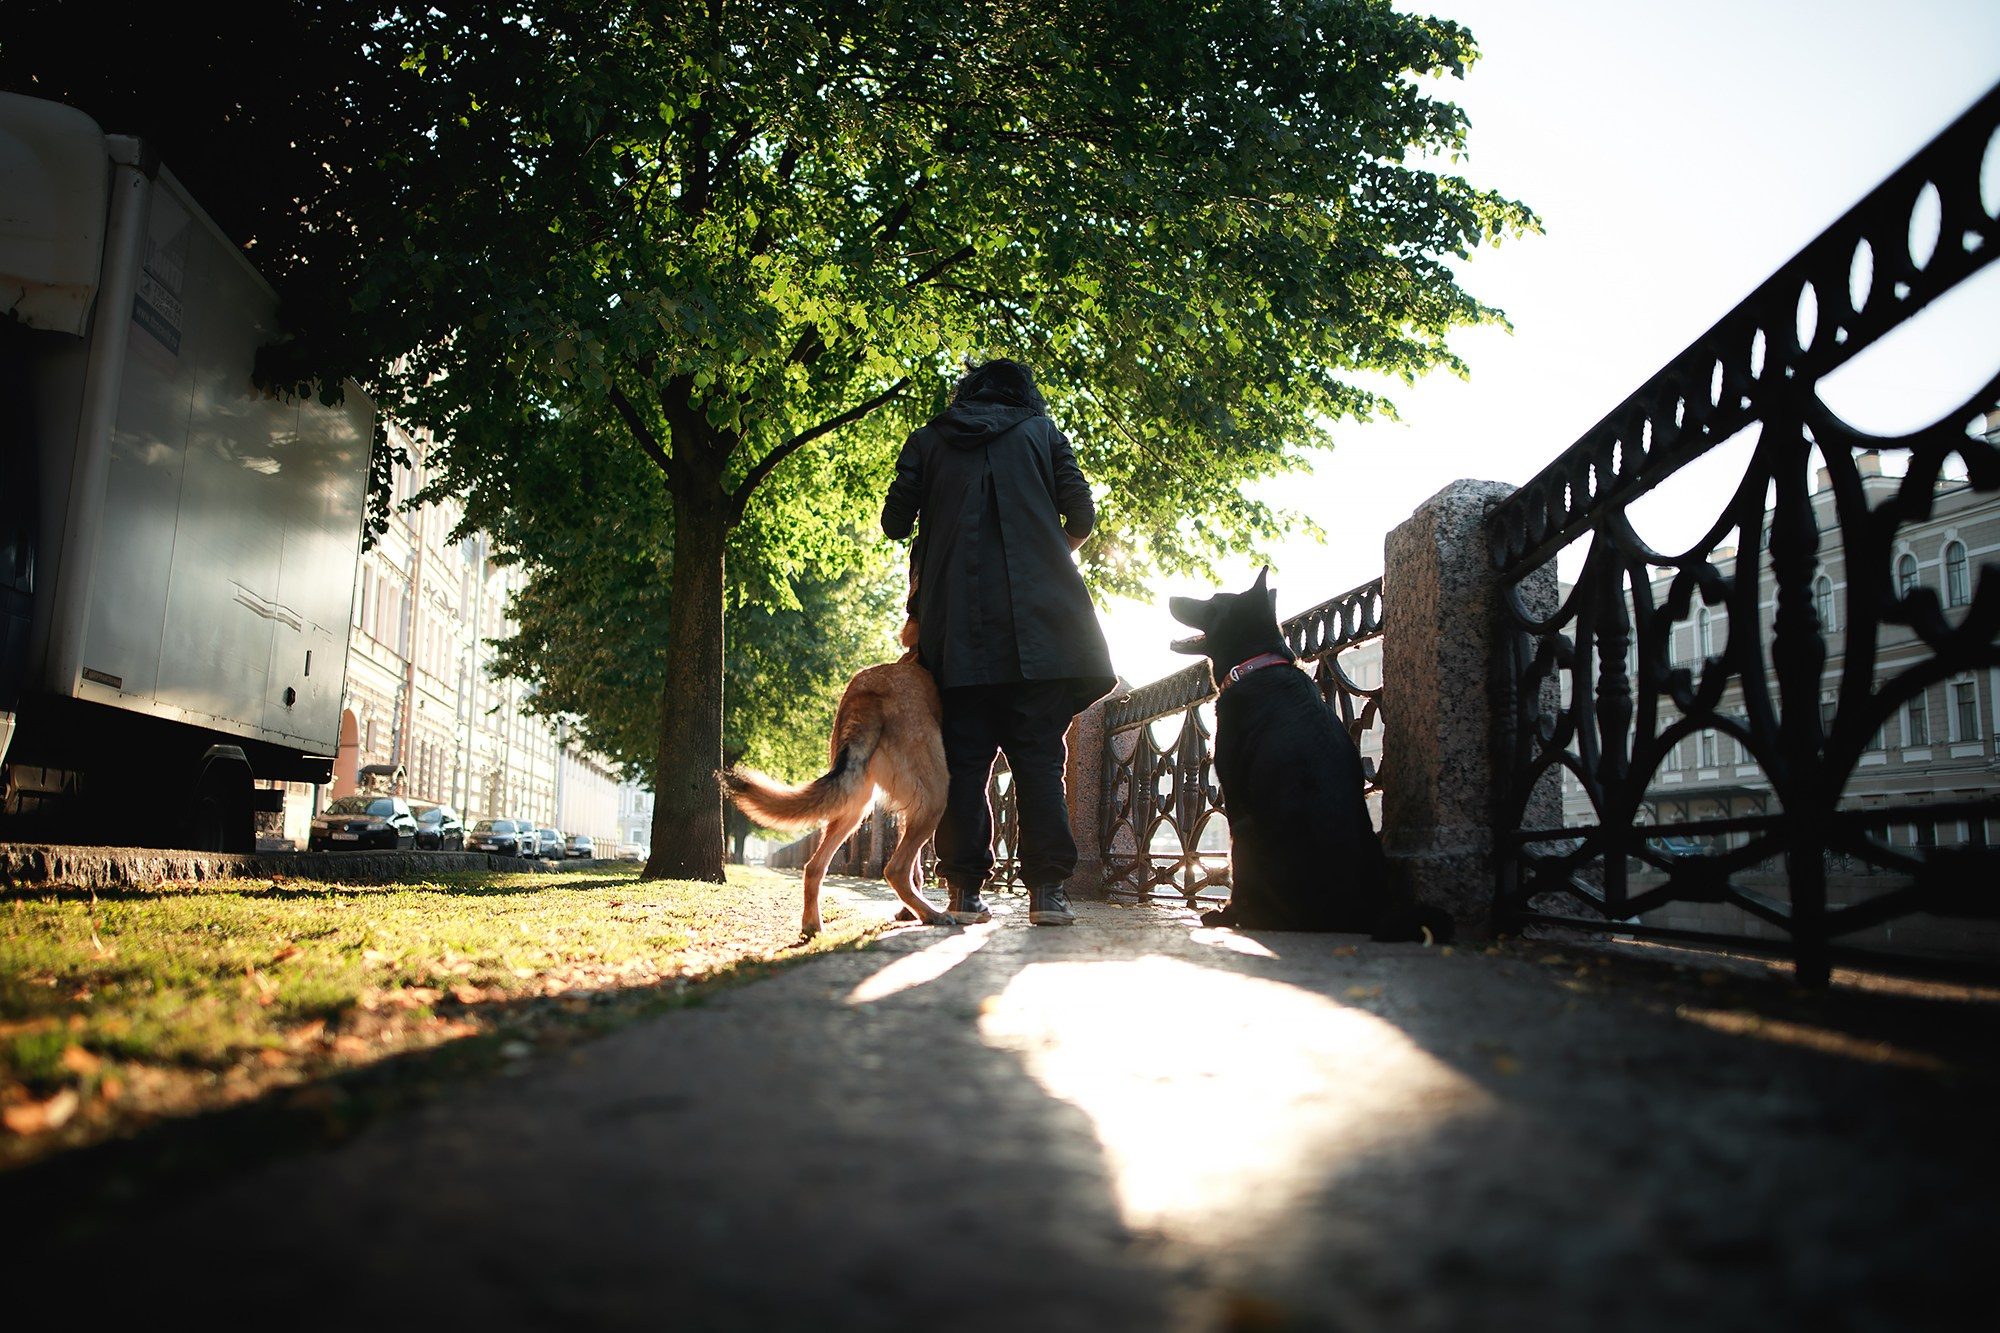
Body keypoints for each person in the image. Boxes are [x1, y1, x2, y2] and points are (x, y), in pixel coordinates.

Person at [881, 359, 1116, 926]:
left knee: (964, 763)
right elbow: (1082, 515)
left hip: (955, 633)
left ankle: (963, 893)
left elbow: (894, 522)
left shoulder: (929, 438)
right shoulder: (1044, 434)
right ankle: (1049, 894)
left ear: (967, 392)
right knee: (1039, 759)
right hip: (1041, 631)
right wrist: (1047, 556)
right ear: (1023, 392)